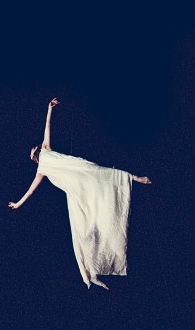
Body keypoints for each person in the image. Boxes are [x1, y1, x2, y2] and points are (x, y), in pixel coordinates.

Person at [8, 98, 150, 289]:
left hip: (82, 172)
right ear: (35, 156)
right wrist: (18, 203)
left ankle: (135, 178)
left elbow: (47, 126)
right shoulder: (41, 169)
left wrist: (49, 109)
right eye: (33, 150)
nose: (34, 148)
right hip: (77, 187)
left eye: (34, 148)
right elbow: (31, 190)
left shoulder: (46, 150)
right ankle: (91, 273)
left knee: (103, 173)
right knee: (83, 225)